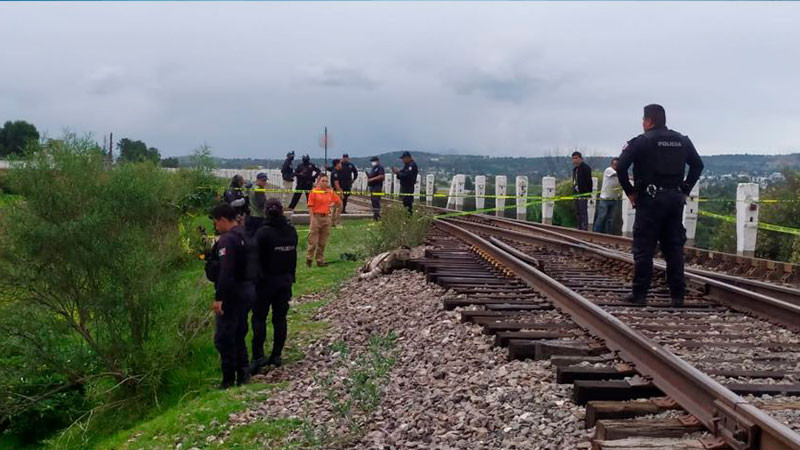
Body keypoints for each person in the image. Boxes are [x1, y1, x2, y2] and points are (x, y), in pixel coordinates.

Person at [616, 104, 704, 307]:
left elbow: (621, 167)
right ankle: (677, 296)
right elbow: (697, 165)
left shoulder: (642, 141)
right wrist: (685, 190)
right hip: (675, 200)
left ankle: (639, 295)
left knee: (644, 248)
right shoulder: (682, 140)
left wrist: (630, 192)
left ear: (648, 121)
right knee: (673, 248)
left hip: (650, 200)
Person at [206, 204, 258, 388]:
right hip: (248, 290)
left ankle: (228, 379)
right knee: (239, 333)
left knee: (224, 337)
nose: (215, 225)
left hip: (233, 293)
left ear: (221, 219)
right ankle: (243, 375)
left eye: (215, 221)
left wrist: (219, 298)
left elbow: (226, 271)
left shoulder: (227, 240)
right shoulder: (245, 235)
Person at [250, 198, 297, 373]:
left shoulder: (262, 233)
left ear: (265, 212)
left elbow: (254, 259)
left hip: (264, 283)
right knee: (280, 319)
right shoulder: (291, 231)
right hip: (284, 282)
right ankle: (276, 355)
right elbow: (292, 257)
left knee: (259, 318)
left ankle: (257, 356)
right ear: (282, 212)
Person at [306, 174, 341, 267]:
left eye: (326, 181)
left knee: (323, 242)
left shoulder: (330, 192)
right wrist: (312, 218)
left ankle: (320, 260)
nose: (325, 183)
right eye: (323, 181)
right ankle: (309, 259)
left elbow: (339, 202)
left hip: (326, 217)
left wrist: (334, 210)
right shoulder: (314, 192)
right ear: (318, 182)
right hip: (316, 217)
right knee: (313, 241)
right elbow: (310, 206)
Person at [593, 158, 621, 234]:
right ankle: (595, 234)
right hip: (605, 199)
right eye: (614, 164)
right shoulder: (609, 170)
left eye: (617, 165)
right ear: (611, 164)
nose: (616, 166)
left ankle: (608, 236)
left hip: (614, 199)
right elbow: (615, 174)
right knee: (601, 217)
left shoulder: (620, 174)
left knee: (610, 219)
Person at [571, 152, 592, 230]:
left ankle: (584, 227)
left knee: (583, 211)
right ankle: (579, 226)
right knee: (577, 211)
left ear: (580, 158)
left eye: (576, 158)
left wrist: (588, 193)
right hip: (576, 193)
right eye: (573, 158)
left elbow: (589, 181)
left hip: (583, 193)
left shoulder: (585, 168)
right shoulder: (575, 169)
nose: (574, 160)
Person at [366, 156, 385, 220]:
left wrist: (372, 179)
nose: (372, 162)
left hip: (377, 187)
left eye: (373, 161)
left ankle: (377, 215)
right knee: (373, 201)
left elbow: (381, 176)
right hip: (372, 187)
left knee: (376, 201)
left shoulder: (380, 168)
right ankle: (375, 215)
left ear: (377, 161)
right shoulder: (373, 168)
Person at [330, 159, 344, 226]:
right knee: (339, 207)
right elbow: (336, 183)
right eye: (340, 163)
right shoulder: (335, 173)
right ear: (337, 164)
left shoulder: (336, 172)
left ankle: (332, 222)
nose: (341, 165)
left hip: (335, 191)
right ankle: (337, 222)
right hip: (336, 191)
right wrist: (340, 192)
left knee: (335, 208)